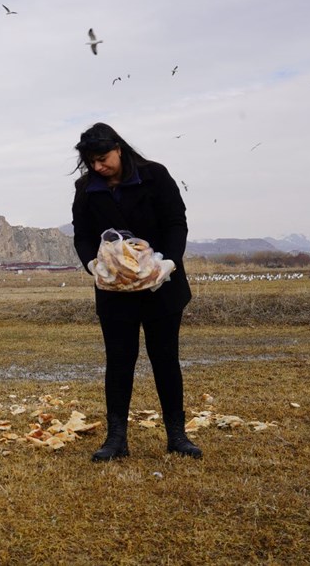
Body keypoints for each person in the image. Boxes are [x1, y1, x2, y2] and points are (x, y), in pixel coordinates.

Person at [71, 122, 202, 461]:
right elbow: (82, 235)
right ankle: (116, 440)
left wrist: (169, 263)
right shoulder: (86, 188)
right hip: (115, 289)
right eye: (92, 162)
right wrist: (92, 265)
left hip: (162, 286)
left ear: (119, 149)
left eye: (103, 159)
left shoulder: (154, 176)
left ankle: (177, 435)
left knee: (165, 359)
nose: (98, 167)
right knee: (118, 361)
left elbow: (177, 222)